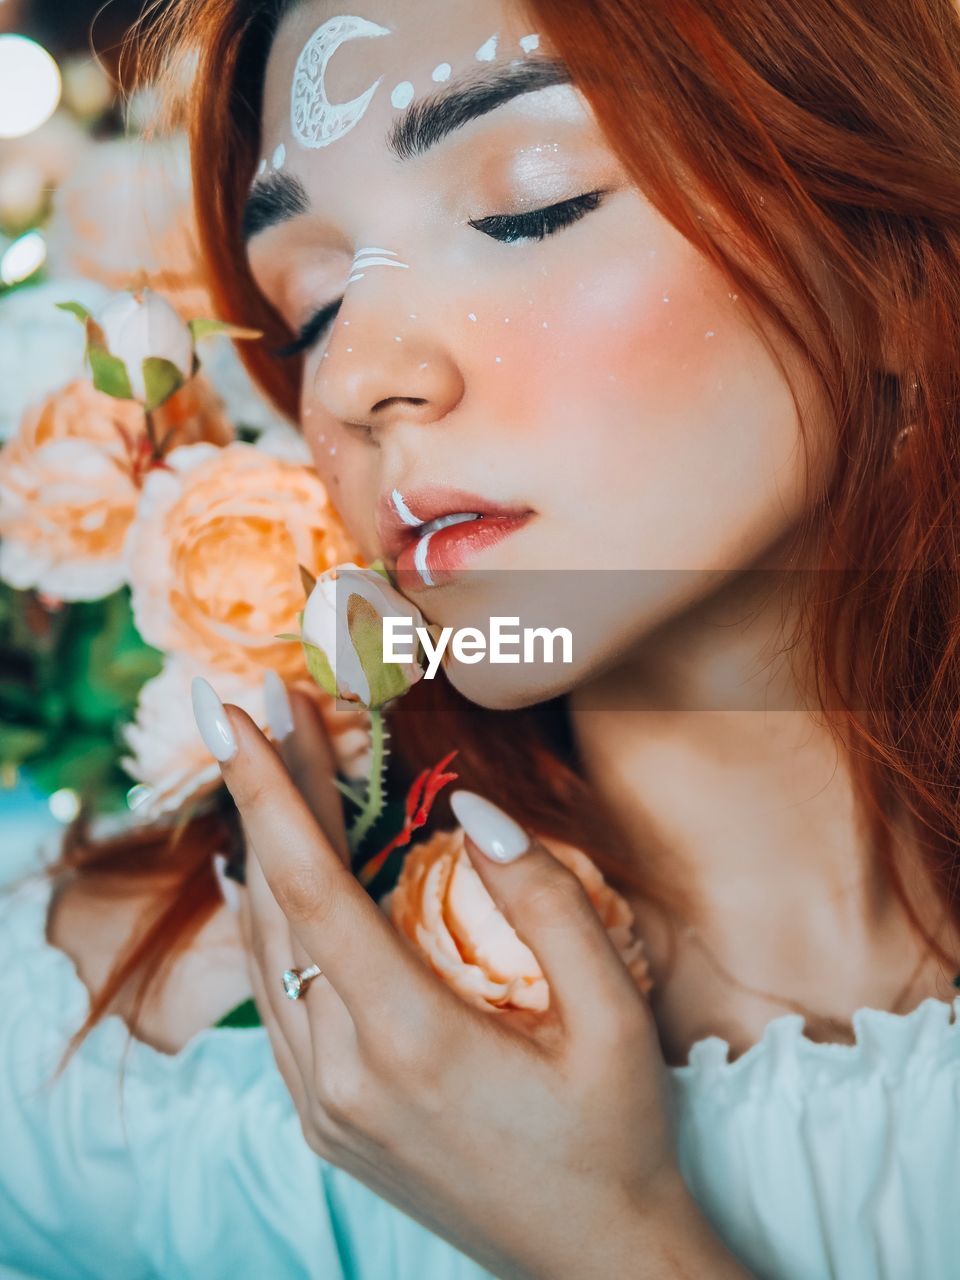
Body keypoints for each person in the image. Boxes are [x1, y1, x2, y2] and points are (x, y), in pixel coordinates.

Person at [2, 0, 960, 1276]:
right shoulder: (131, 1065)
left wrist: (604, 1237)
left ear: (900, 270)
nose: (352, 382)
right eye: (316, 303)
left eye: (530, 205)